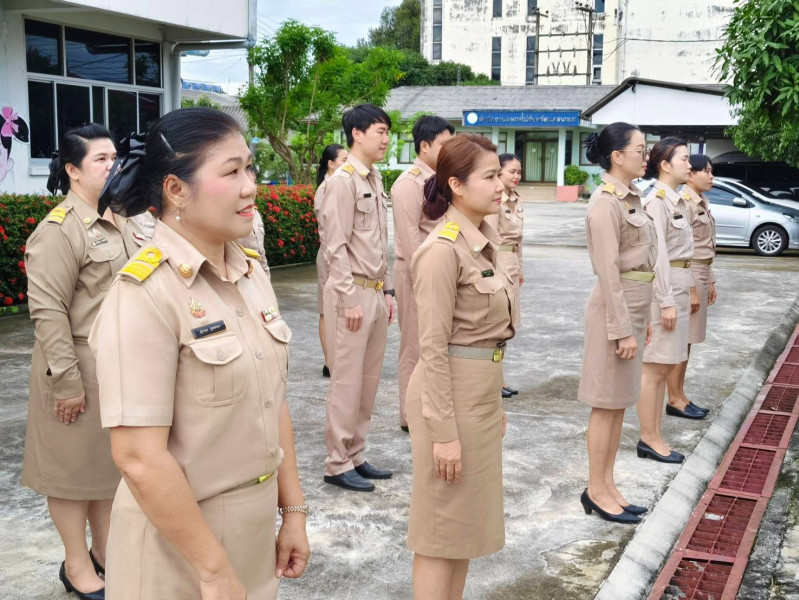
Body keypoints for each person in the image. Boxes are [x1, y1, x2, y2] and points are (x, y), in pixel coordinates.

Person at [88, 108, 310, 599]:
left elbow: (272, 401)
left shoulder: (250, 273)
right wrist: (212, 569)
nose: (250, 186)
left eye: (250, 168)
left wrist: (293, 511)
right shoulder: (144, 293)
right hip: (178, 548)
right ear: (176, 190)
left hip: (253, 534)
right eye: (231, 172)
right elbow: (138, 457)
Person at [21, 123, 132, 600]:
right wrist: (67, 383)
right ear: (73, 170)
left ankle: (104, 552)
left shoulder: (119, 218)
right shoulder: (59, 230)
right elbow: (48, 313)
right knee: (69, 473)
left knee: (105, 468)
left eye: (114, 158)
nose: (112, 166)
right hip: (76, 365)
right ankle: (76, 563)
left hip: (115, 365)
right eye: (100, 160)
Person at [406, 133, 515, 600]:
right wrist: (444, 432)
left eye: (499, 175)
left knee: (464, 528)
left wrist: (495, 402)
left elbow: (487, 338)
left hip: (478, 396)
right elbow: (431, 348)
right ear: (456, 184)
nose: (500, 185)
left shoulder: (482, 242)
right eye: (489, 177)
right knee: (440, 530)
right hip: (448, 401)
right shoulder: (441, 250)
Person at [577, 122, 656, 524]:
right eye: (640, 149)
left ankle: (608, 485)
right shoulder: (605, 202)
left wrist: (644, 319)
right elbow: (608, 272)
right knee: (606, 405)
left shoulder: (631, 197)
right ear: (617, 156)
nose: (646, 156)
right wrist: (622, 328)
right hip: (614, 310)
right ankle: (596, 489)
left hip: (633, 307)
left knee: (620, 402)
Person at [320, 104, 396, 492]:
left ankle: (355, 454)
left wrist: (388, 289)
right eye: (380, 131)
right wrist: (349, 297)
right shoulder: (343, 181)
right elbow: (335, 245)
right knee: (347, 382)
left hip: (375, 291)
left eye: (387, 132)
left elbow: (379, 243)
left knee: (368, 380)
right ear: (357, 134)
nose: (386, 139)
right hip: (351, 294)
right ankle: (336, 462)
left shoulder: (374, 178)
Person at [391, 115, 454, 432]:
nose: (449, 150)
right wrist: (427, 278)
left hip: (440, 272)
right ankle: (409, 415)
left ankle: (431, 408)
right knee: (415, 347)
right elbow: (410, 240)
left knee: (437, 345)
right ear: (425, 146)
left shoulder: (443, 180)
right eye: (444, 144)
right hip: (415, 273)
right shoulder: (409, 183)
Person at [637, 138, 695, 463]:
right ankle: (649, 438)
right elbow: (657, 255)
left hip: (679, 288)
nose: (690, 164)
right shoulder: (657, 201)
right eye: (684, 159)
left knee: (665, 366)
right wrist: (666, 300)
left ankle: (655, 435)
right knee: (654, 368)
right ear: (665, 165)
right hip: (666, 292)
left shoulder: (677, 200)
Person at [665, 156, 716, 418]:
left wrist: (711, 280)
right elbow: (686, 249)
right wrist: (693, 289)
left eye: (711, 171)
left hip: (701, 271)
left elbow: (705, 245)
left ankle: (680, 394)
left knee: (689, 340)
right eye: (705, 171)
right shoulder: (684, 202)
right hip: (690, 273)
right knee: (682, 340)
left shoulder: (700, 201)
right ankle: (674, 399)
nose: (711, 176)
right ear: (691, 175)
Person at [484, 153, 524, 399]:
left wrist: (520, 268)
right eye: (511, 171)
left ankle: (499, 378)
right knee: (498, 324)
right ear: (499, 173)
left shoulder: (516, 199)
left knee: (509, 323)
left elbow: (519, 240)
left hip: (512, 264)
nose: (516, 176)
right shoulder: (495, 200)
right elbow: (489, 237)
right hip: (498, 262)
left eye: (519, 171)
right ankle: (494, 381)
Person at [314, 144, 347, 377]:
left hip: (337, 254)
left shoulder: (339, 185)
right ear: (331, 163)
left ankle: (337, 360)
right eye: (344, 160)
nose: (348, 163)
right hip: (328, 255)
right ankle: (329, 362)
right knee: (326, 310)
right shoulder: (326, 189)